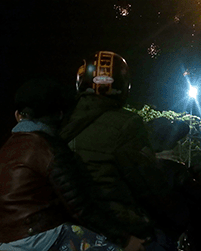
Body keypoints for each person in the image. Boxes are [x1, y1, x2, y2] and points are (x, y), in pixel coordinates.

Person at [0, 78, 144, 251]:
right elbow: (81, 208)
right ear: (60, 114)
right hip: (41, 238)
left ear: (18, 116)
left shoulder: (3, 152)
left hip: (3, 242)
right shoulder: (49, 147)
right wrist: (125, 239)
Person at [59, 52, 171, 246]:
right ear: (123, 84)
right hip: (121, 227)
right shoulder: (128, 124)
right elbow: (148, 184)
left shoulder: (61, 123)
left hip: (75, 230)